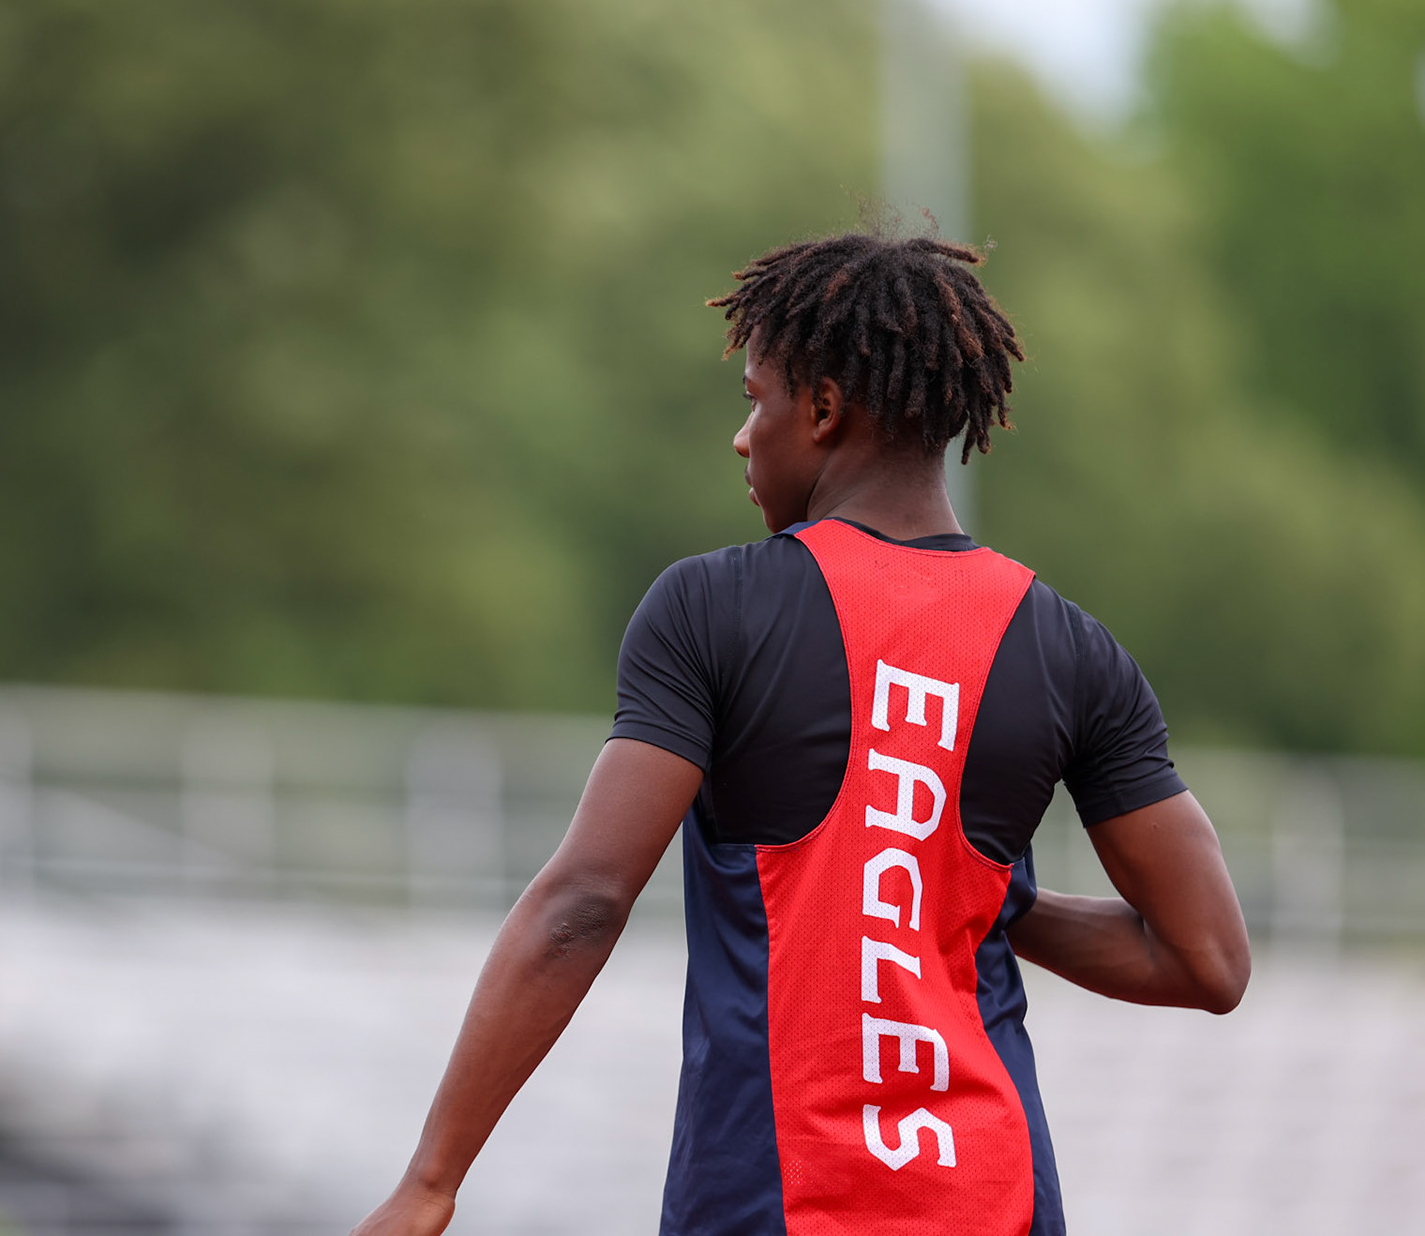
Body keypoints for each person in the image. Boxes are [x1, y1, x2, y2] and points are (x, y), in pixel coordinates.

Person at [351, 231, 1251, 1236]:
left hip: (772, 1202)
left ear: (822, 409)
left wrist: (430, 1181)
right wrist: (964, 889)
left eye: (755, 400)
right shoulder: (1071, 648)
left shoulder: (711, 608)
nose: (743, 438)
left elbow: (584, 902)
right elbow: (1206, 959)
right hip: (996, 1201)